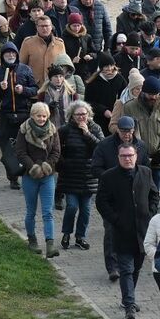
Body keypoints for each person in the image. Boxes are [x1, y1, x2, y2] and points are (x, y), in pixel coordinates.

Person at [97, 142, 159, 319]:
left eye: (130, 155)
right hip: (121, 232)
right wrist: (115, 219)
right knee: (126, 269)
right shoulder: (109, 177)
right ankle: (129, 305)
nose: (127, 159)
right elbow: (101, 202)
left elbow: (154, 194)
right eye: (124, 156)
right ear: (118, 157)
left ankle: (127, 299)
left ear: (136, 156)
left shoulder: (145, 173)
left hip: (142, 231)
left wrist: (150, 213)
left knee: (136, 268)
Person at [0, 42, 38, 189]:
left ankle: (27, 174)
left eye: (13, 53)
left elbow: (35, 89)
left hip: (23, 114)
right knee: (7, 147)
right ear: (2, 56)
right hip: (5, 114)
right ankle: (12, 177)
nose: (10, 55)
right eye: (7, 53)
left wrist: (24, 90)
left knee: (24, 146)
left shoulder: (25, 70)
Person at [15, 102, 62, 257]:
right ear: (32, 115)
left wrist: (47, 166)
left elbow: (56, 151)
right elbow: (20, 152)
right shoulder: (23, 129)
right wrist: (34, 168)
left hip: (48, 176)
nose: (41, 118)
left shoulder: (53, 129)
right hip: (30, 175)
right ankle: (32, 240)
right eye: (38, 115)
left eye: (44, 116)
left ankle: (50, 245)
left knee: (48, 212)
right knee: (31, 211)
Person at [58, 101, 104, 251]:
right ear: (72, 115)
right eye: (78, 114)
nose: (81, 117)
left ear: (89, 115)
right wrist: (63, 164)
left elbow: (101, 148)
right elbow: (57, 149)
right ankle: (66, 233)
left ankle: (80, 237)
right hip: (70, 175)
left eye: (84, 114)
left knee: (86, 210)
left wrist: (87, 134)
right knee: (71, 206)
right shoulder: (65, 130)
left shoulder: (95, 128)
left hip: (88, 176)